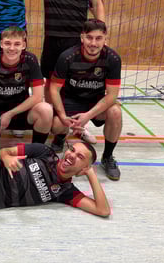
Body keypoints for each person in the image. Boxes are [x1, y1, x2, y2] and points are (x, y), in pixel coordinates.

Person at [36, 0, 105, 145]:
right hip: (52, 38)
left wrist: (100, 34)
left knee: (74, 85)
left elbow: (97, 3)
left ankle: (78, 127)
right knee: (50, 83)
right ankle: (56, 126)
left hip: (77, 39)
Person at [49, 19, 122, 181]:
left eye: (98, 38)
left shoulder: (113, 59)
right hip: (71, 101)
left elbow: (112, 95)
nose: (93, 43)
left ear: (105, 39)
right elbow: (54, 89)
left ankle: (107, 156)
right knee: (57, 124)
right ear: (82, 37)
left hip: (95, 102)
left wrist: (88, 116)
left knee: (115, 112)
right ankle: (60, 137)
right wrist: (63, 116)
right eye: (89, 37)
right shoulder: (67, 57)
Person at [0, 26, 52, 154]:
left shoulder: (30, 60)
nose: (12, 48)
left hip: (18, 111)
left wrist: (10, 114)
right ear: (1, 44)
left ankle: (36, 151)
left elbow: (38, 96)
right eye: (7, 43)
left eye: (17, 44)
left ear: (24, 45)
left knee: (46, 110)